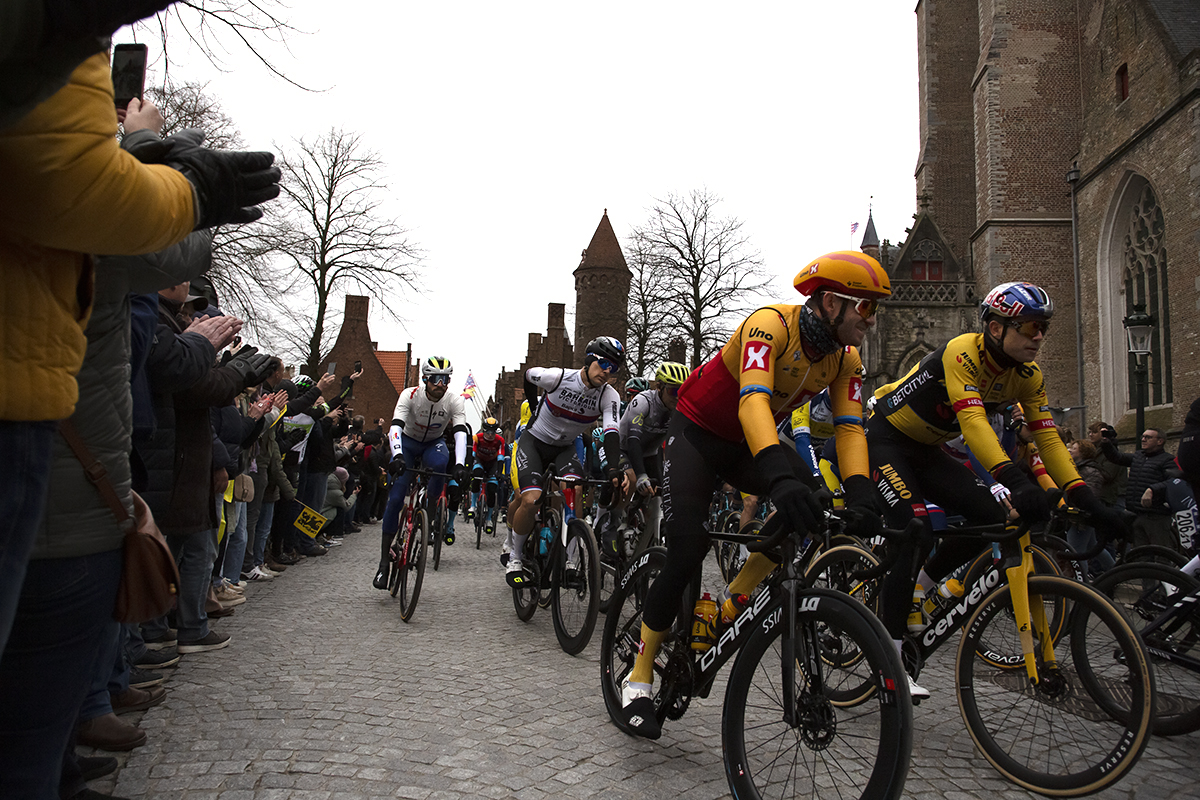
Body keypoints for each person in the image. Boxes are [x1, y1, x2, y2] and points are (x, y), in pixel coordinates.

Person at [617, 252, 890, 739]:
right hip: (698, 436)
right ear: (831, 302)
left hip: (748, 442)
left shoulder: (846, 360)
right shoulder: (770, 326)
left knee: (809, 504)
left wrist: (861, 490)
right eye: (866, 309)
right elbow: (753, 401)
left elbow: (850, 430)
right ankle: (638, 676)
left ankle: (734, 602)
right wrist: (777, 476)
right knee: (687, 549)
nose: (872, 321)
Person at [867, 281, 1126, 700]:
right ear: (995, 328)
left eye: (1043, 327)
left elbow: (1049, 441)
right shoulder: (961, 352)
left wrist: (1084, 498)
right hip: (886, 439)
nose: (1038, 336)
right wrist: (1016, 480)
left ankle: (922, 587)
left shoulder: (1027, 376)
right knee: (914, 530)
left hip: (929, 449)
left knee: (991, 517)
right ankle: (889, 661)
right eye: (1029, 326)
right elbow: (973, 424)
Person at [504, 337, 625, 585]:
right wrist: (534, 404)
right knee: (531, 500)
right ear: (590, 359)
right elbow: (529, 376)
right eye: (603, 364)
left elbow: (612, 432)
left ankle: (570, 560)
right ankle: (514, 556)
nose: (607, 372)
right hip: (535, 443)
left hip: (564, 448)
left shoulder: (609, 396)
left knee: (575, 491)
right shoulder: (557, 378)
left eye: (614, 368)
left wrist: (614, 469)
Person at [373, 357, 470, 589]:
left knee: (440, 464)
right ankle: (384, 563)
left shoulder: (454, 401)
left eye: (446, 378)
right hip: (407, 443)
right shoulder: (409, 395)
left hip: (433, 444)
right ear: (425, 379)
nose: (441, 383)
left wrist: (460, 464)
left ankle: (430, 512)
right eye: (436, 378)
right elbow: (395, 426)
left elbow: (459, 433)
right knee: (396, 499)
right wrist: (396, 455)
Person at [600, 361, 688, 556]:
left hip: (651, 454)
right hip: (625, 449)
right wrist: (640, 475)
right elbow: (633, 441)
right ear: (659, 387)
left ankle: (644, 534)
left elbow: (680, 443)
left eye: (682, 391)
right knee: (631, 479)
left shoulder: (680, 408)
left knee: (660, 494)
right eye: (674, 391)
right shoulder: (643, 402)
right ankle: (611, 524)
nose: (678, 396)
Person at [1097, 426, 1177, 551]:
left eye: (1148, 437)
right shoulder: (1138, 457)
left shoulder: (1168, 460)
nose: (1143, 440)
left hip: (1156, 515)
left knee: (1160, 552)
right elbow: (1116, 457)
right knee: (1140, 553)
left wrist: (1152, 489)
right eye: (1143, 437)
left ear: (1160, 441)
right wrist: (1107, 443)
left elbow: (1174, 481)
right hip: (1136, 513)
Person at [471, 417, 507, 535]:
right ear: (484, 430)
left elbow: (501, 457)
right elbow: (473, 454)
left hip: (493, 464)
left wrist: (500, 473)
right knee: (476, 476)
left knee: (492, 488)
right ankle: (472, 505)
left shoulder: (500, 440)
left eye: (493, 432)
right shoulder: (477, 438)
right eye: (487, 431)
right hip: (480, 461)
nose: (490, 434)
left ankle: (489, 518)